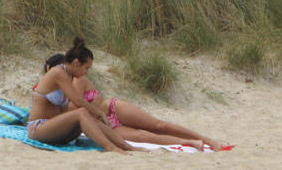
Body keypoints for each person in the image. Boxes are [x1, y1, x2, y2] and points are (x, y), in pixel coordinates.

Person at [44, 54, 226, 151]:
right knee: (145, 137)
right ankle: (191, 143)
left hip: (113, 109)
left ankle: (208, 139)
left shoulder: (77, 79)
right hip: (107, 126)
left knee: (158, 125)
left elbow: (77, 106)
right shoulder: (55, 95)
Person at [28, 39, 141, 154]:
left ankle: (127, 146)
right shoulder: (58, 73)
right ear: (76, 63)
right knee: (82, 112)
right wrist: (100, 113)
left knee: (89, 117)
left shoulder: (69, 75)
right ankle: (110, 148)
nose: (86, 72)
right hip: (38, 128)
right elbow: (78, 101)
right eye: (86, 68)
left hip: (56, 130)